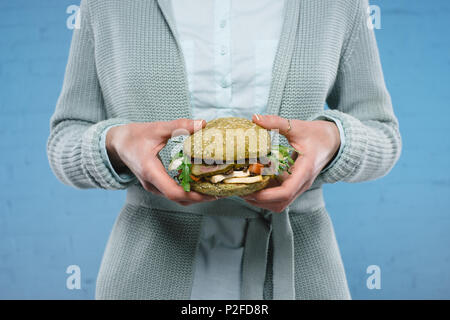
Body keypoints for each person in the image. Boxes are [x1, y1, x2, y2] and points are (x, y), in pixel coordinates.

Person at [47, 0, 401, 300]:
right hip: (146, 273)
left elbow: (382, 134)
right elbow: (65, 139)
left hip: (300, 273)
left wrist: (334, 139)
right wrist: (116, 143)